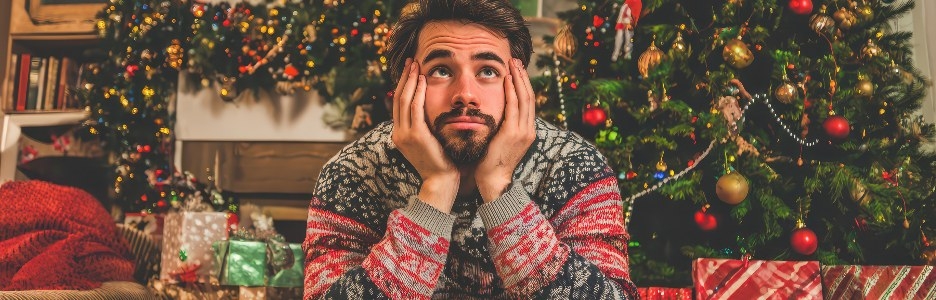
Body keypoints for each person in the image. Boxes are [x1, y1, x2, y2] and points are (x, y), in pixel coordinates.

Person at [303, 0, 638, 299]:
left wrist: (500, 189)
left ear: (518, 85)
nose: (466, 94)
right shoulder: (353, 173)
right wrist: (434, 193)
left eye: (488, 71)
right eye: (441, 70)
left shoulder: (574, 166)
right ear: (404, 85)